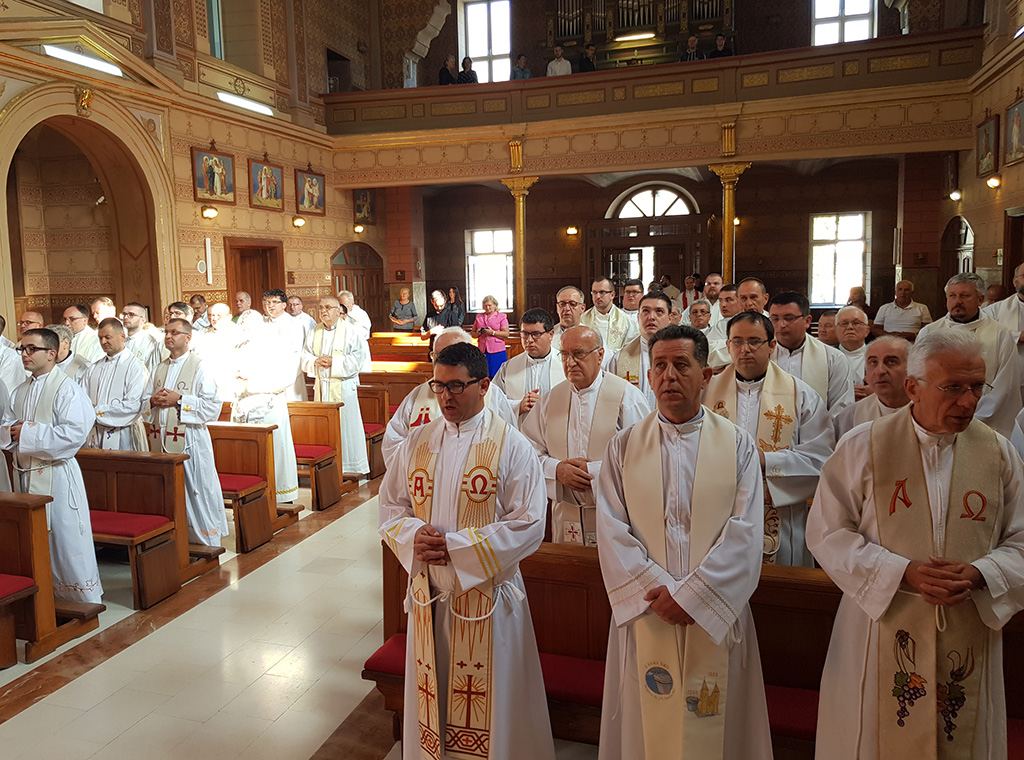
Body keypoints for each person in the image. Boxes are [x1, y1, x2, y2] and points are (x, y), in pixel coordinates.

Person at [807, 329, 1024, 760]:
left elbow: (1020, 537)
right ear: (913, 388)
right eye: (953, 388)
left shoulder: (997, 452)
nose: (968, 401)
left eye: (977, 387)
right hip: (880, 623)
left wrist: (983, 572)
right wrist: (900, 572)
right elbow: (828, 533)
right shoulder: (863, 445)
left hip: (968, 619)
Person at [596, 323, 771, 760]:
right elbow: (612, 529)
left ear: (706, 374)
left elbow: (746, 532)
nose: (668, 376)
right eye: (659, 366)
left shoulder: (737, 445)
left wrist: (692, 597)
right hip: (648, 611)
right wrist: (660, 592)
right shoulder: (623, 447)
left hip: (714, 612)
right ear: (648, 376)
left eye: (681, 364)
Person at [378, 342, 556, 760]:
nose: (445, 397)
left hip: (487, 601)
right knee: (433, 697)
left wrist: (456, 548)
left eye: (456, 386)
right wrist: (412, 537)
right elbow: (391, 506)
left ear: (484, 385)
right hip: (430, 597)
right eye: (438, 386)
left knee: (491, 710)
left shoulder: (511, 445)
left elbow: (530, 523)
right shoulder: (417, 441)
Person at [705, 312, 834, 566]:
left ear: (772, 345)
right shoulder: (706, 392)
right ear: (728, 346)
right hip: (718, 514)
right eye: (737, 342)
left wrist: (766, 461)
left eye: (754, 341)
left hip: (779, 523)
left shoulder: (801, 396)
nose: (745, 349)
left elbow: (822, 461)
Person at [521, 326, 649, 546]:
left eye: (578, 353)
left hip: (614, 516)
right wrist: (556, 469)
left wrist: (594, 473)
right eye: (564, 355)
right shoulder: (550, 401)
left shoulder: (627, 397)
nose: (570, 362)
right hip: (565, 517)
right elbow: (527, 453)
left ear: (600, 355)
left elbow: (643, 459)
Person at [1, 328, 102, 603]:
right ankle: (43, 600)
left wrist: (26, 432)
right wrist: (12, 431)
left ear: (52, 353)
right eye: (22, 349)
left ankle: (79, 601)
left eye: (32, 349)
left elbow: (74, 434)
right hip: (25, 475)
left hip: (57, 476)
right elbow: (7, 426)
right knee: (32, 540)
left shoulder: (68, 389)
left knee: (65, 538)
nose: (25, 354)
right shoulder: (20, 390)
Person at [143, 319, 228, 547]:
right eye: (166, 332)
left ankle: (205, 539)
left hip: (190, 439)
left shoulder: (200, 366)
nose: (168, 336)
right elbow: (144, 402)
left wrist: (180, 400)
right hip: (161, 439)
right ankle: (175, 538)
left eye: (175, 332)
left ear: (188, 337)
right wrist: (152, 401)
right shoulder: (159, 367)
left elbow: (212, 407)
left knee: (196, 488)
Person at [382, 327, 518, 466]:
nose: (444, 362)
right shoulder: (417, 396)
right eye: (438, 355)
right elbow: (393, 442)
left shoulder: (492, 395)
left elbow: (510, 444)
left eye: (453, 354)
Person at [918, 272, 1021, 437]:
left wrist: (974, 416)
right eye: (952, 296)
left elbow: (1005, 384)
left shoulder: (1000, 334)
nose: (957, 301)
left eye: (965, 296)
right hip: (940, 419)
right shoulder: (929, 333)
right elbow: (920, 378)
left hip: (988, 421)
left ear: (980, 300)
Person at [232, 289, 302, 503]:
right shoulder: (250, 337)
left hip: (270, 398)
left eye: (274, 302)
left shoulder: (285, 333)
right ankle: (253, 494)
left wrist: (252, 379)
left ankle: (281, 495)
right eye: (266, 302)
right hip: (248, 401)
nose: (269, 306)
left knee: (276, 448)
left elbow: (287, 370)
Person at [301, 296, 369, 475]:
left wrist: (334, 362)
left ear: (338, 310)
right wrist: (315, 361)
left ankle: (350, 466)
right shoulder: (314, 331)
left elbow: (358, 358)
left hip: (343, 387)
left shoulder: (350, 331)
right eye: (321, 308)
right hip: (322, 387)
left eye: (328, 307)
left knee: (346, 427)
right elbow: (305, 356)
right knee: (324, 428)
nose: (323, 311)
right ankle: (327, 469)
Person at [768, 291, 855, 419]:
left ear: (807, 321)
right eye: (775, 319)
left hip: (818, 431)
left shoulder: (833, 358)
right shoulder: (762, 355)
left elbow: (841, 409)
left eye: (789, 318)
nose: (781, 325)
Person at [80, 318, 149, 451]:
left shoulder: (135, 367)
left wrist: (95, 412)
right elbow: (82, 400)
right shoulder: (94, 368)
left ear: (122, 336)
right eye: (100, 338)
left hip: (124, 434)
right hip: (95, 434)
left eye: (108, 337)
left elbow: (133, 405)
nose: (103, 342)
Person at [833, 336, 912, 440]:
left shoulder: (929, 410)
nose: (880, 371)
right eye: (873, 362)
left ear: (912, 367)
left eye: (891, 362)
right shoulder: (850, 415)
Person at [493, 307, 564, 422]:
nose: (529, 340)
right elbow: (492, 401)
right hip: (520, 431)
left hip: (554, 429)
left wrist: (547, 404)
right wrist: (518, 406)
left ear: (551, 334)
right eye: (525, 334)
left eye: (536, 334)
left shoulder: (566, 365)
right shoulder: (508, 367)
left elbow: (577, 401)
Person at [607, 292, 674, 408]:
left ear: (670, 318)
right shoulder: (618, 360)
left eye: (659, 311)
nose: (651, 317)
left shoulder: (681, 357)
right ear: (638, 317)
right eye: (646, 311)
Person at [983, 261, 1024, 404]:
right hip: (1008, 377)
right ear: (1015, 281)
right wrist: (1017, 336)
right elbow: (984, 335)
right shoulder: (994, 310)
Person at [581, 276, 640, 351]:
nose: (597, 296)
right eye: (594, 292)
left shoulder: (625, 320)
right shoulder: (583, 319)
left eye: (602, 292)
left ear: (612, 295)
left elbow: (631, 348)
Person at [471, 295, 510, 377]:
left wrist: (492, 333)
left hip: (497, 350)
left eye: (489, 305)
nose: (487, 307)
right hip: (483, 350)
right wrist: (478, 333)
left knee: (498, 375)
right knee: (483, 375)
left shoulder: (501, 316)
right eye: (485, 306)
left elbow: (506, 334)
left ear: (495, 305)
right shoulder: (479, 317)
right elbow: (472, 333)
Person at [836, 305, 871, 390]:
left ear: (867, 331)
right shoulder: (824, 355)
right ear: (836, 330)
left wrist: (876, 391)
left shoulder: (879, 355)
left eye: (856, 323)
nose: (850, 327)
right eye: (844, 323)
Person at [121, 302, 161, 376]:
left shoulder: (150, 342)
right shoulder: (120, 341)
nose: (126, 317)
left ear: (142, 320)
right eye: (124, 314)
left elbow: (152, 370)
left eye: (131, 314)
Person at [552, 285, 586, 350]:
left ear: (582, 308)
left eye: (572, 304)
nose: (567, 308)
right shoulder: (548, 336)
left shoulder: (591, 336)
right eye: (562, 304)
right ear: (557, 308)